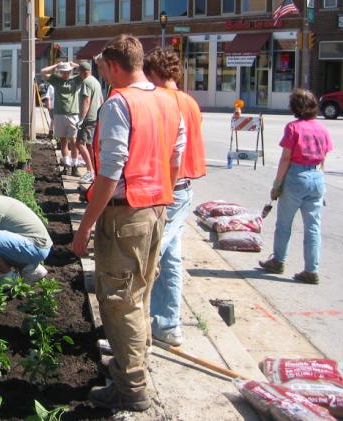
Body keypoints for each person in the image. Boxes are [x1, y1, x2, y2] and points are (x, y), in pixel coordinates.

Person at [72, 35, 184, 411]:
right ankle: (133, 366)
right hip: (156, 209)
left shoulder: (119, 103)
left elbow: (109, 173)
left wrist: (86, 225)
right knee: (140, 294)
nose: (103, 75)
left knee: (121, 302)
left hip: (126, 213)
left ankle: (131, 388)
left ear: (115, 66)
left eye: (103, 69)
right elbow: (175, 158)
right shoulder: (168, 102)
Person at [143, 48, 207, 347]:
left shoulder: (162, 101)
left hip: (167, 187)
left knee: (153, 253)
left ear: (154, 72)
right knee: (170, 256)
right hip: (183, 187)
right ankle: (166, 322)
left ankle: (151, 323)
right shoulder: (190, 102)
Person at [259, 89, 332, 285]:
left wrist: (277, 185)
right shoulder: (322, 129)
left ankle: (278, 261)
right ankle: (311, 270)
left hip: (296, 177)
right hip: (317, 177)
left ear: (295, 107)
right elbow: (324, 157)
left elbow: (286, 158)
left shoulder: (293, 128)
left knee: (284, 224)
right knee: (313, 227)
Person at [40, 61, 81, 173]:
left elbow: (87, 70)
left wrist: (74, 65)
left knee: (73, 141)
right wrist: (56, 65)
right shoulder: (56, 80)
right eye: (64, 72)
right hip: (59, 114)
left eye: (68, 72)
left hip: (72, 114)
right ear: (61, 71)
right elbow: (43, 72)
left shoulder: (75, 80)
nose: (66, 74)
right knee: (63, 141)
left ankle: (74, 166)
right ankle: (66, 166)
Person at [75, 61, 104, 184]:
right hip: (96, 117)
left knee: (79, 144)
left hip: (88, 118)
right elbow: (102, 99)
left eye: (79, 72)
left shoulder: (86, 82)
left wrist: (81, 118)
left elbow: (86, 101)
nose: (79, 75)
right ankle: (94, 170)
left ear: (83, 72)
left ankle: (90, 171)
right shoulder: (96, 82)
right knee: (89, 145)